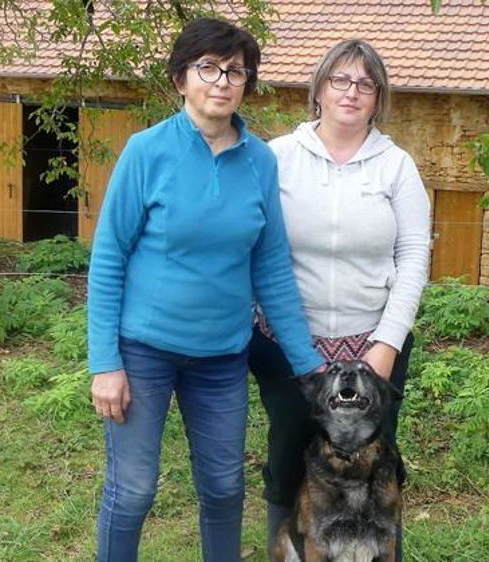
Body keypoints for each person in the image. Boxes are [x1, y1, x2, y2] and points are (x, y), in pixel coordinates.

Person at [87, 17, 325, 562]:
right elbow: (108, 260)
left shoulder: (261, 161)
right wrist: (105, 362)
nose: (222, 80)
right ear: (181, 79)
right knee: (134, 490)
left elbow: (270, 268)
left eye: (235, 71)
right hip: (143, 352)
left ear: (246, 83)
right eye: (208, 68)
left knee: (223, 488)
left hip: (221, 358)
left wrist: (307, 364)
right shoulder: (146, 152)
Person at [248, 39, 431, 560]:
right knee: (287, 457)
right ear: (319, 89)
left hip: (371, 345)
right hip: (287, 341)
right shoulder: (277, 157)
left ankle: (376, 550)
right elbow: (254, 244)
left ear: (378, 97)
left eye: (365, 84)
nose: (352, 92)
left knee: (377, 461)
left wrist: (388, 343)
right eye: (340, 80)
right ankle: (289, 549)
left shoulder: (396, 167)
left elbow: (415, 256)